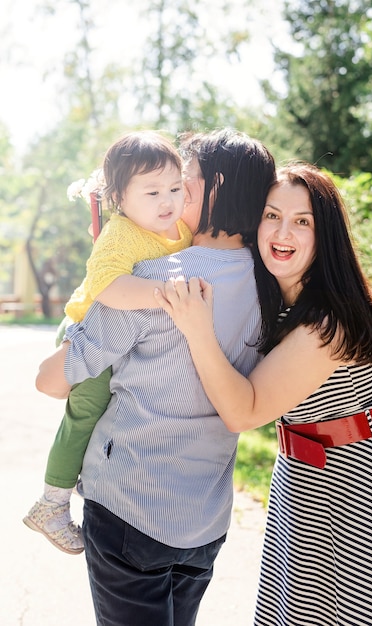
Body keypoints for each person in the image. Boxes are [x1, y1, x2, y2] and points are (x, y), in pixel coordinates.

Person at [155, 162, 372, 626]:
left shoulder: (327, 323)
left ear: (324, 233)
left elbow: (243, 412)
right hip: (304, 480)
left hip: (362, 493)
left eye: (302, 221)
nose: (283, 231)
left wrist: (196, 328)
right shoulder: (281, 301)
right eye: (272, 215)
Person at [35, 128, 276, 626]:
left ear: (213, 187)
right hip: (206, 516)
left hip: (131, 504)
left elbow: (51, 381)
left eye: (183, 181)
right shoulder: (270, 286)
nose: (172, 195)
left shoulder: (158, 278)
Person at [24, 129, 191, 555]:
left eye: (175, 187)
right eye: (152, 191)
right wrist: (167, 294)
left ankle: (88, 477)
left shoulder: (178, 228)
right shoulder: (121, 234)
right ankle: (52, 502)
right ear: (120, 197)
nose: (167, 200)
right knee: (86, 413)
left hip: (116, 338)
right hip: (85, 329)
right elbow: (106, 286)